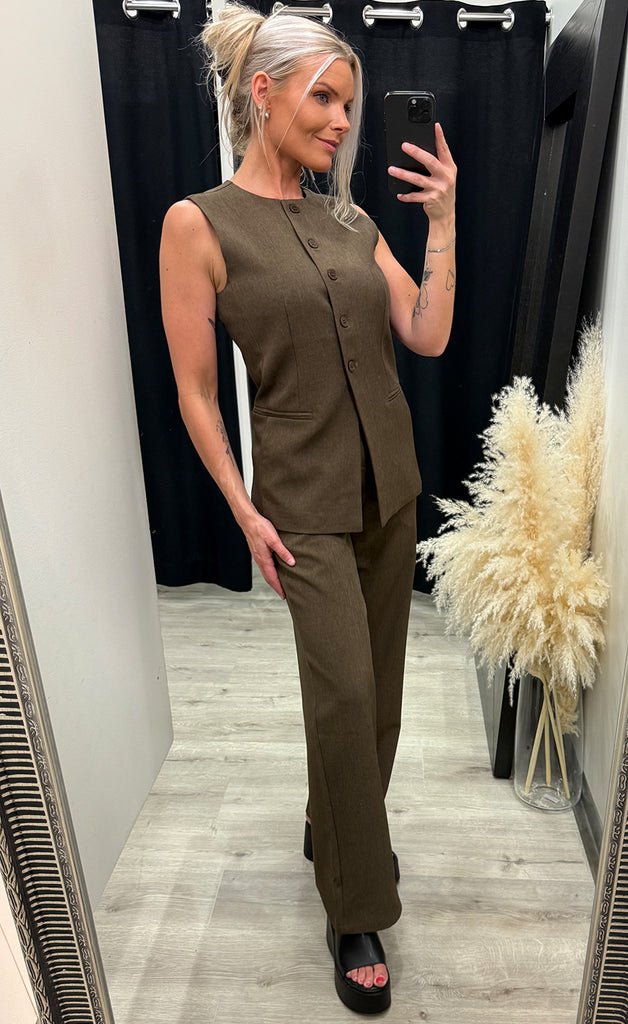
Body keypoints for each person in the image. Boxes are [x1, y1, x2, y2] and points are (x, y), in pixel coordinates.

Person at [159, 3, 456, 1013]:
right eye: (324, 98)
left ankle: (336, 826)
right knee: (341, 698)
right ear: (263, 92)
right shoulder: (199, 224)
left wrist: (443, 223)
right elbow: (196, 391)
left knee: (381, 696)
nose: (341, 120)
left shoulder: (352, 222)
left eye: (348, 104)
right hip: (300, 505)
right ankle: (354, 903)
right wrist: (242, 509)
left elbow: (425, 333)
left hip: (390, 488)